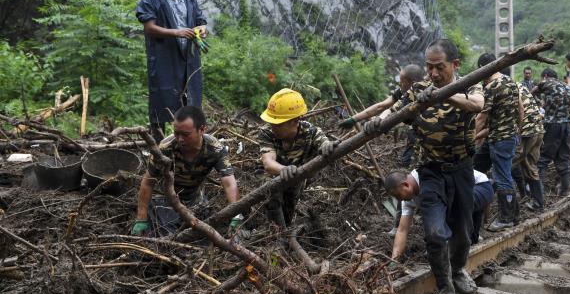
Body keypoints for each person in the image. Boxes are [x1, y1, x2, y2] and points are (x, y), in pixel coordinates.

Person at [393, 38, 484, 294]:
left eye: (439, 68)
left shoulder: (470, 85)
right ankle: (445, 288)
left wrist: (443, 94)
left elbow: (477, 105)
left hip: (461, 170)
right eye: (429, 68)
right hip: (430, 172)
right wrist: (375, 121)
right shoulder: (419, 89)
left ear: (454, 65)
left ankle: (457, 270)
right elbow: (395, 113)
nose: (432, 74)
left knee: (462, 231)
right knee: (434, 232)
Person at [131, 106, 241, 237]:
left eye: (185, 134)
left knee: (208, 232)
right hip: (165, 199)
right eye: (177, 133)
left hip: (195, 199)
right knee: (168, 235)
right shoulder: (166, 148)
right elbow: (148, 182)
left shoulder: (215, 148)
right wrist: (141, 218)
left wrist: (236, 214)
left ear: (201, 129)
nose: (180, 139)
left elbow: (229, 182)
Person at [136, 0, 209, 143]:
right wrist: (177, 32)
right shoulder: (150, 1)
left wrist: (201, 29)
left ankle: (190, 142)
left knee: (190, 100)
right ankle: (159, 148)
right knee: (161, 103)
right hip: (164, 60)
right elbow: (150, 28)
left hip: (188, 61)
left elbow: (201, 21)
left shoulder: (190, 1)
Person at [258, 88, 338, 229]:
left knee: (289, 206)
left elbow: (324, 142)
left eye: (278, 123)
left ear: (295, 121)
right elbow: (268, 162)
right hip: (274, 176)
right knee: (272, 195)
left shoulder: (311, 132)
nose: (273, 127)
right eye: (272, 122)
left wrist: (327, 146)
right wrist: (284, 169)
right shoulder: (267, 132)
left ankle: (285, 231)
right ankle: (275, 233)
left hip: (298, 179)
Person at [386, 169, 494, 260]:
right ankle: (468, 235)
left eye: (398, 195)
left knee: (445, 208)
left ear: (406, 185)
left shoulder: (426, 175)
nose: (399, 199)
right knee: (471, 240)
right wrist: (394, 260)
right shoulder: (407, 200)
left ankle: (450, 243)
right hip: (461, 202)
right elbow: (402, 230)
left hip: (479, 187)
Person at [338, 64, 425, 167]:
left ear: (413, 83)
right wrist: (353, 119)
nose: (400, 84)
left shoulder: (425, 92)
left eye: (402, 82)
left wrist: (380, 119)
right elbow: (382, 106)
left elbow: (392, 111)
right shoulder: (404, 91)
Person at [475, 53, 523, 232]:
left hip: (500, 140)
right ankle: (514, 215)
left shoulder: (491, 86)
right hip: (503, 137)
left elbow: (481, 117)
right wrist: (516, 130)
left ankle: (506, 219)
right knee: (476, 166)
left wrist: (470, 137)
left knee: (502, 177)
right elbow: (520, 109)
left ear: (484, 68)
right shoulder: (511, 83)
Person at [532, 68, 570, 196]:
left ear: (545, 76)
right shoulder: (567, 87)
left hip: (553, 125)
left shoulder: (546, 82)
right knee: (564, 158)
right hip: (567, 125)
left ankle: (539, 196)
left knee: (542, 159)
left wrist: (537, 106)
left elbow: (530, 93)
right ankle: (565, 191)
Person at [514, 86, 545, 211]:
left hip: (527, 131)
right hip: (538, 129)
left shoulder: (501, 86)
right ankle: (538, 203)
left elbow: (520, 110)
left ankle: (508, 210)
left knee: (506, 166)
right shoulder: (520, 86)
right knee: (530, 166)